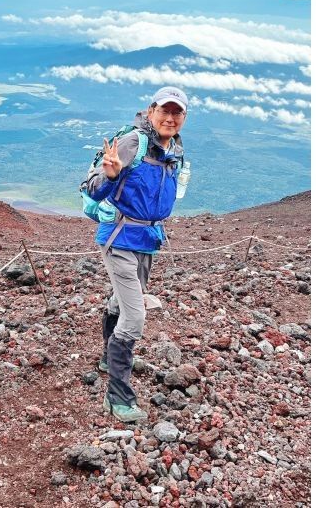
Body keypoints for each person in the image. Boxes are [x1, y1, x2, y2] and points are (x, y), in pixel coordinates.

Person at [83, 86, 188, 422]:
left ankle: (106, 358)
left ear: (183, 117)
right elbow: (93, 187)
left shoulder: (173, 148)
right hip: (120, 237)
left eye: (177, 113)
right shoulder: (133, 142)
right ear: (151, 110)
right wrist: (110, 175)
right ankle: (118, 398)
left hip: (146, 239)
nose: (170, 118)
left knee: (120, 303)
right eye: (164, 111)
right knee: (134, 317)